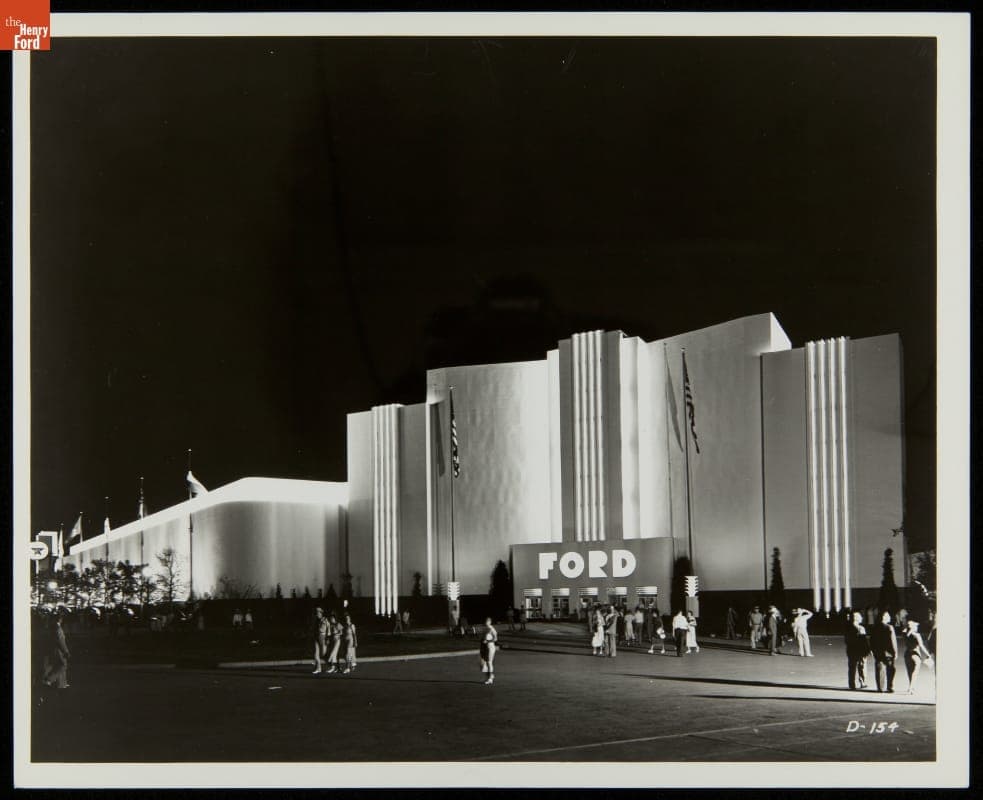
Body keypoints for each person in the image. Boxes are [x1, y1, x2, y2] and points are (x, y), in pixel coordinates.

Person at [869, 610, 898, 693]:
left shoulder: (874, 627)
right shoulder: (889, 627)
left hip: (878, 652)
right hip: (888, 653)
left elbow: (871, 640)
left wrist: (873, 650)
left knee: (879, 670)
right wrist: (895, 652)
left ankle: (880, 688)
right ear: (884, 617)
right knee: (890, 670)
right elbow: (892, 641)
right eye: (888, 616)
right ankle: (890, 687)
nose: (889, 617)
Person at [902, 620, 933, 695]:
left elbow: (904, 629)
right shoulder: (917, 635)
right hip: (915, 654)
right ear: (913, 627)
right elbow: (921, 646)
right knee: (915, 673)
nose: (917, 627)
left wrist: (908, 628)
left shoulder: (905, 634)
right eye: (916, 626)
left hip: (907, 654)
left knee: (909, 671)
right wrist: (928, 654)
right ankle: (911, 688)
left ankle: (911, 687)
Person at [42, 612, 71, 690]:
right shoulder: (58, 628)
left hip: (53, 649)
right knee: (63, 665)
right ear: (60, 619)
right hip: (58, 650)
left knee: (58, 664)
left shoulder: (53, 627)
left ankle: (62, 684)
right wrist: (66, 652)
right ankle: (49, 679)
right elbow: (61, 641)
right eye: (61, 619)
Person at [845, 610, 870, 690]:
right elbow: (864, 641)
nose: (861, 618)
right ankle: (862, 682)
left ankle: (851, 684)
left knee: (852, 667)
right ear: (856, 618)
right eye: (860, 616)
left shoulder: (848, 628)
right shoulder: (860, 628)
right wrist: (868, 650)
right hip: (860, 651)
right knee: (862, 667)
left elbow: (847, 640)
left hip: (851, 650)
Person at [479, 617, 498, 684]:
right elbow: (482, 639)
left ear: (490, 622)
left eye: (487, 621)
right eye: (485, 621)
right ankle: (491, 675)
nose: (485, 622)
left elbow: (495, 639)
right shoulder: (484, 628)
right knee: (483, 664)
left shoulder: (492, 629)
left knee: (489, 662)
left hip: (490, 647)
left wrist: (487, 641)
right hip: (484, 647)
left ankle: (490, 679)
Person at [311, 607, 327, 674]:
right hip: (316, 637)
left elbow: (328, 629)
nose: (317, 614)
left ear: (321, 613)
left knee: (324, 653)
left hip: (322, 637)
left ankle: (334, 665)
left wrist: (328, 638)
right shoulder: (315, 620)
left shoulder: (325, 620)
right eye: (316, 612)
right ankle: (318, 668)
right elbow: (313, 628)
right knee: (316, 653)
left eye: (318, 612)